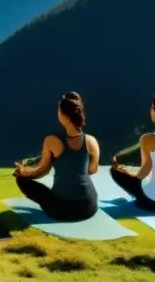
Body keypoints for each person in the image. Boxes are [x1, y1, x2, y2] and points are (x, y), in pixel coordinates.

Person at [13, 92, 100, 222]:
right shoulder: (91, 141)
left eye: (59, 111)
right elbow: (92, 170)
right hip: (89, 207)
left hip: (62, 209)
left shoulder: (51, 141)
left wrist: (23, 172)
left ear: (64, 117)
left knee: (21, 180)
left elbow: (41, 171)